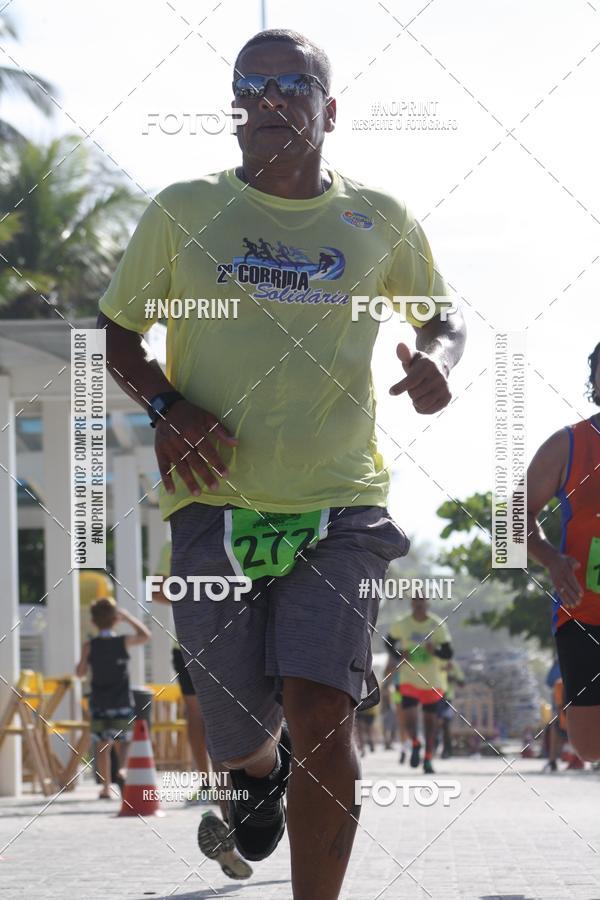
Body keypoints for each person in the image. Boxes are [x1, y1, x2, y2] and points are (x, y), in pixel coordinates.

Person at [98, 28, 465, 899]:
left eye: (291, 83)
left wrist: (437, 360)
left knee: (321, 706)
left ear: (328, 111)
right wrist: (166, 404)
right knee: (234, 728)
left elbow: (440, 315)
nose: (269, 98)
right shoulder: (184, 211)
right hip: (213, 507)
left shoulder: (376, 218)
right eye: (249, 85)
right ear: (232, 112)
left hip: (342, 503)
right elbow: (115, 333)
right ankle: (258, 776)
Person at [152, 541, 252, 880]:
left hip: (241, 639)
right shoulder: (172, 545)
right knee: (206, 719)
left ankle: (243, 809)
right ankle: (219, 803)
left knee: (247, 724)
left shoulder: (242, 527)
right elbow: (158, 590)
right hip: (191, 644)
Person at [526, 342, 600, 762]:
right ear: (594, 380)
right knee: (588, 747)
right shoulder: (569, 444)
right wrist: (551, 559)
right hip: (583, 610)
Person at [76, 598, 150, 799]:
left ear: (93, 621)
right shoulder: (123, 641)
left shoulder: (89, 645)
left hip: (99, 702)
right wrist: (128, 617)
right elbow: (145, 635)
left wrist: (84, 664)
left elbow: (80, 673)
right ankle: (123, 771)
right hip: (122, 701)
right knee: (124, 742)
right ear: (115, 620)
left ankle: (106, 787)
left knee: (102, 747)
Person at [386, 596, 454, 774]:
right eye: (416, 600)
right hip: (409, 679)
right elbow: (389, 642)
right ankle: (415, 743)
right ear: (412, 604)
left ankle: (428, 759)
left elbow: (448, 652)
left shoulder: (437, 624)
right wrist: (400, 653)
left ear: (427, 604)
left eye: (422, 600)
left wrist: (436, 651)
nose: (419, 604)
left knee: (430, 723)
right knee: (408, 721)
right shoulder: (402, 624)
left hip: (431, 681)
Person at [437, 658, 465, 758]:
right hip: (433, 696)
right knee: (435, 723)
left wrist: (451, 677)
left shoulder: (452, 664)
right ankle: (433, 747)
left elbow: (462, 683)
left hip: (447, 698)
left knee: (445, 723)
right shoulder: (434, 661)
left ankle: (447, 749)